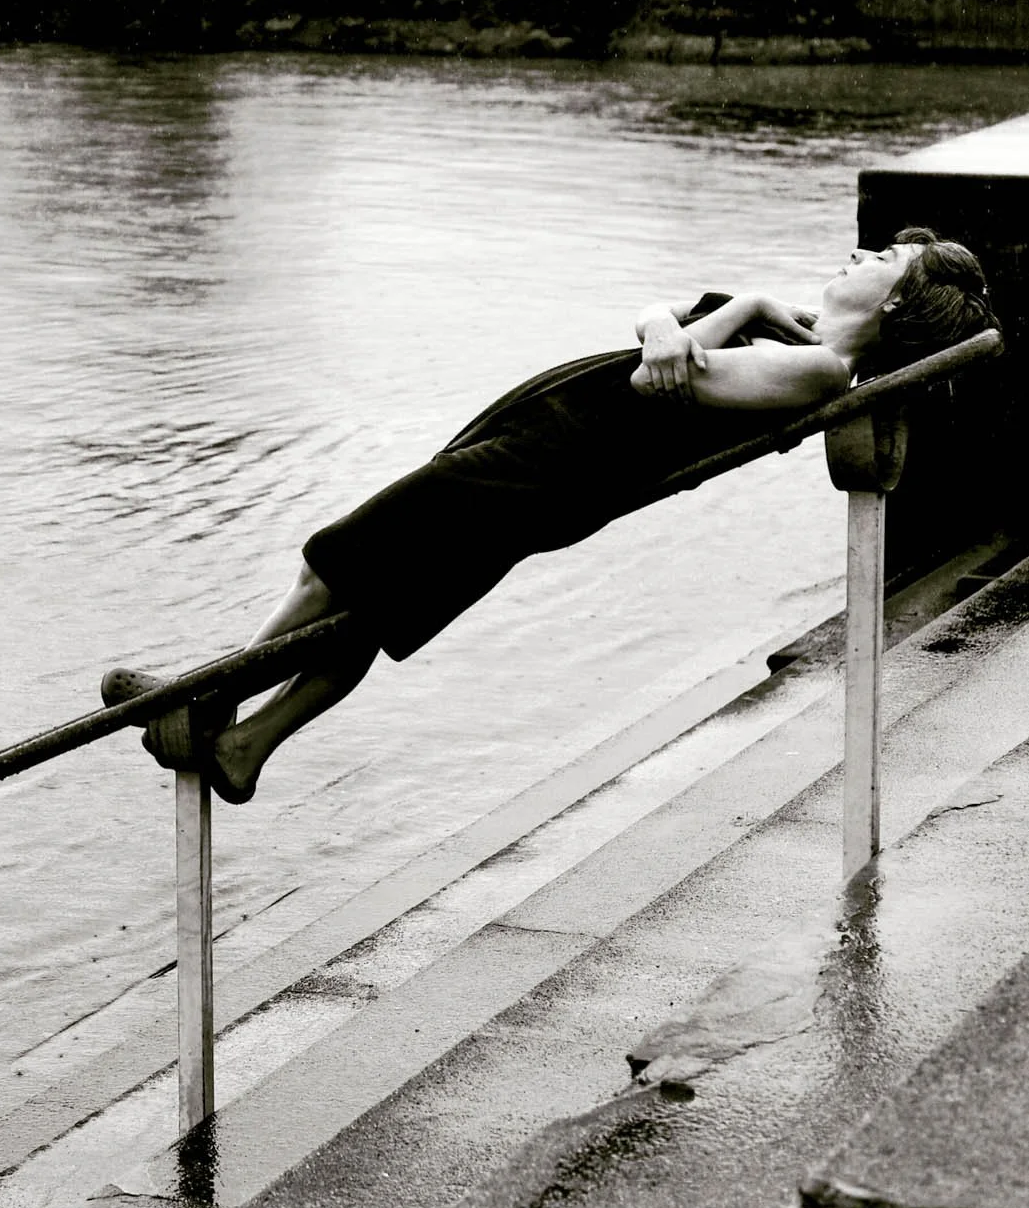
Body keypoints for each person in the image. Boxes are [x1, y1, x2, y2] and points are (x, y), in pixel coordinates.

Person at [109, 228, 998, 805]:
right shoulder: (803, 354)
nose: (861, 253)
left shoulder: (814, 373)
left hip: (548, 463)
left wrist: (706, 318)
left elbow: (668, 361)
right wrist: (741, 308)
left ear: (892, 302)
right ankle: (248, 746)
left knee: (332, 564)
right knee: (374, 605)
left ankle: (209, 692)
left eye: (883, 258)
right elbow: (667, 328)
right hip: (551, 457)